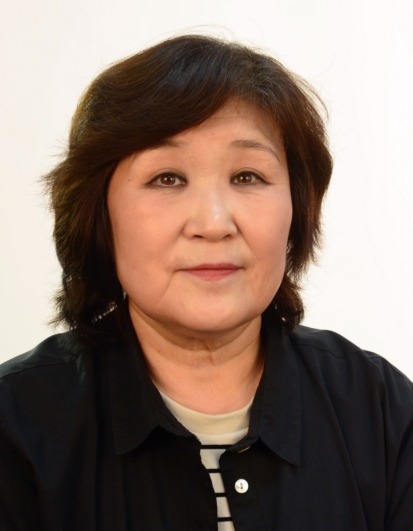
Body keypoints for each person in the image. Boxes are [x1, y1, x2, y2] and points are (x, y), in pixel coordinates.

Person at [0, 34, 412, 531]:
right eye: (167, 178)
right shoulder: (16, 425)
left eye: (247, 177)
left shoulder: (383, 413)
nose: (214, 224)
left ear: (298, 209)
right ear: (98, 214)